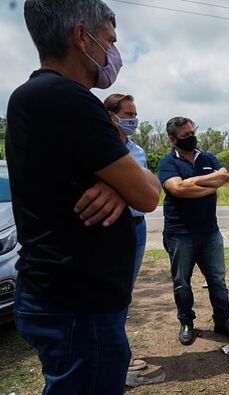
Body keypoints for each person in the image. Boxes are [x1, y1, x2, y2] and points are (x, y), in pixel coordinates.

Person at [6, 1, 161, 393]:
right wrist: (127, 184)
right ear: (80, 36)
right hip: (77, 302)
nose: (113, 53)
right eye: (109, 41)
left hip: (58, 294)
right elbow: (148, 193)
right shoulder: (68, 100)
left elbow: (132, 185)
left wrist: (117, 184)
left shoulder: (31, 96)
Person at [158, 117, 229, 345]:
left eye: (192, 132)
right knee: (182, 282)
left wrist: (192, 183)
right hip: (180, 233)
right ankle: (186, 322)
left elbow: (225, 176)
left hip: (210, 232)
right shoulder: (167, 163)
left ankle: (222, 322)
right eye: (185, 135)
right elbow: (176, 189)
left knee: (217, 280)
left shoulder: (206, 157)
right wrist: (209, 185)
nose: (191, 137)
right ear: (172, 138)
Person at [104, 93, 148, 372]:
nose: (134, 120)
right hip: (108, 229)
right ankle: (113, 355)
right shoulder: (96, 146)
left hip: (136, 228)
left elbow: (146, 192)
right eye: (129, 115)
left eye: (134, 114)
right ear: (112, 116)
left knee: (124, 293)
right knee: (106, 293)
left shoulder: (137, 151)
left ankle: (119, 352)